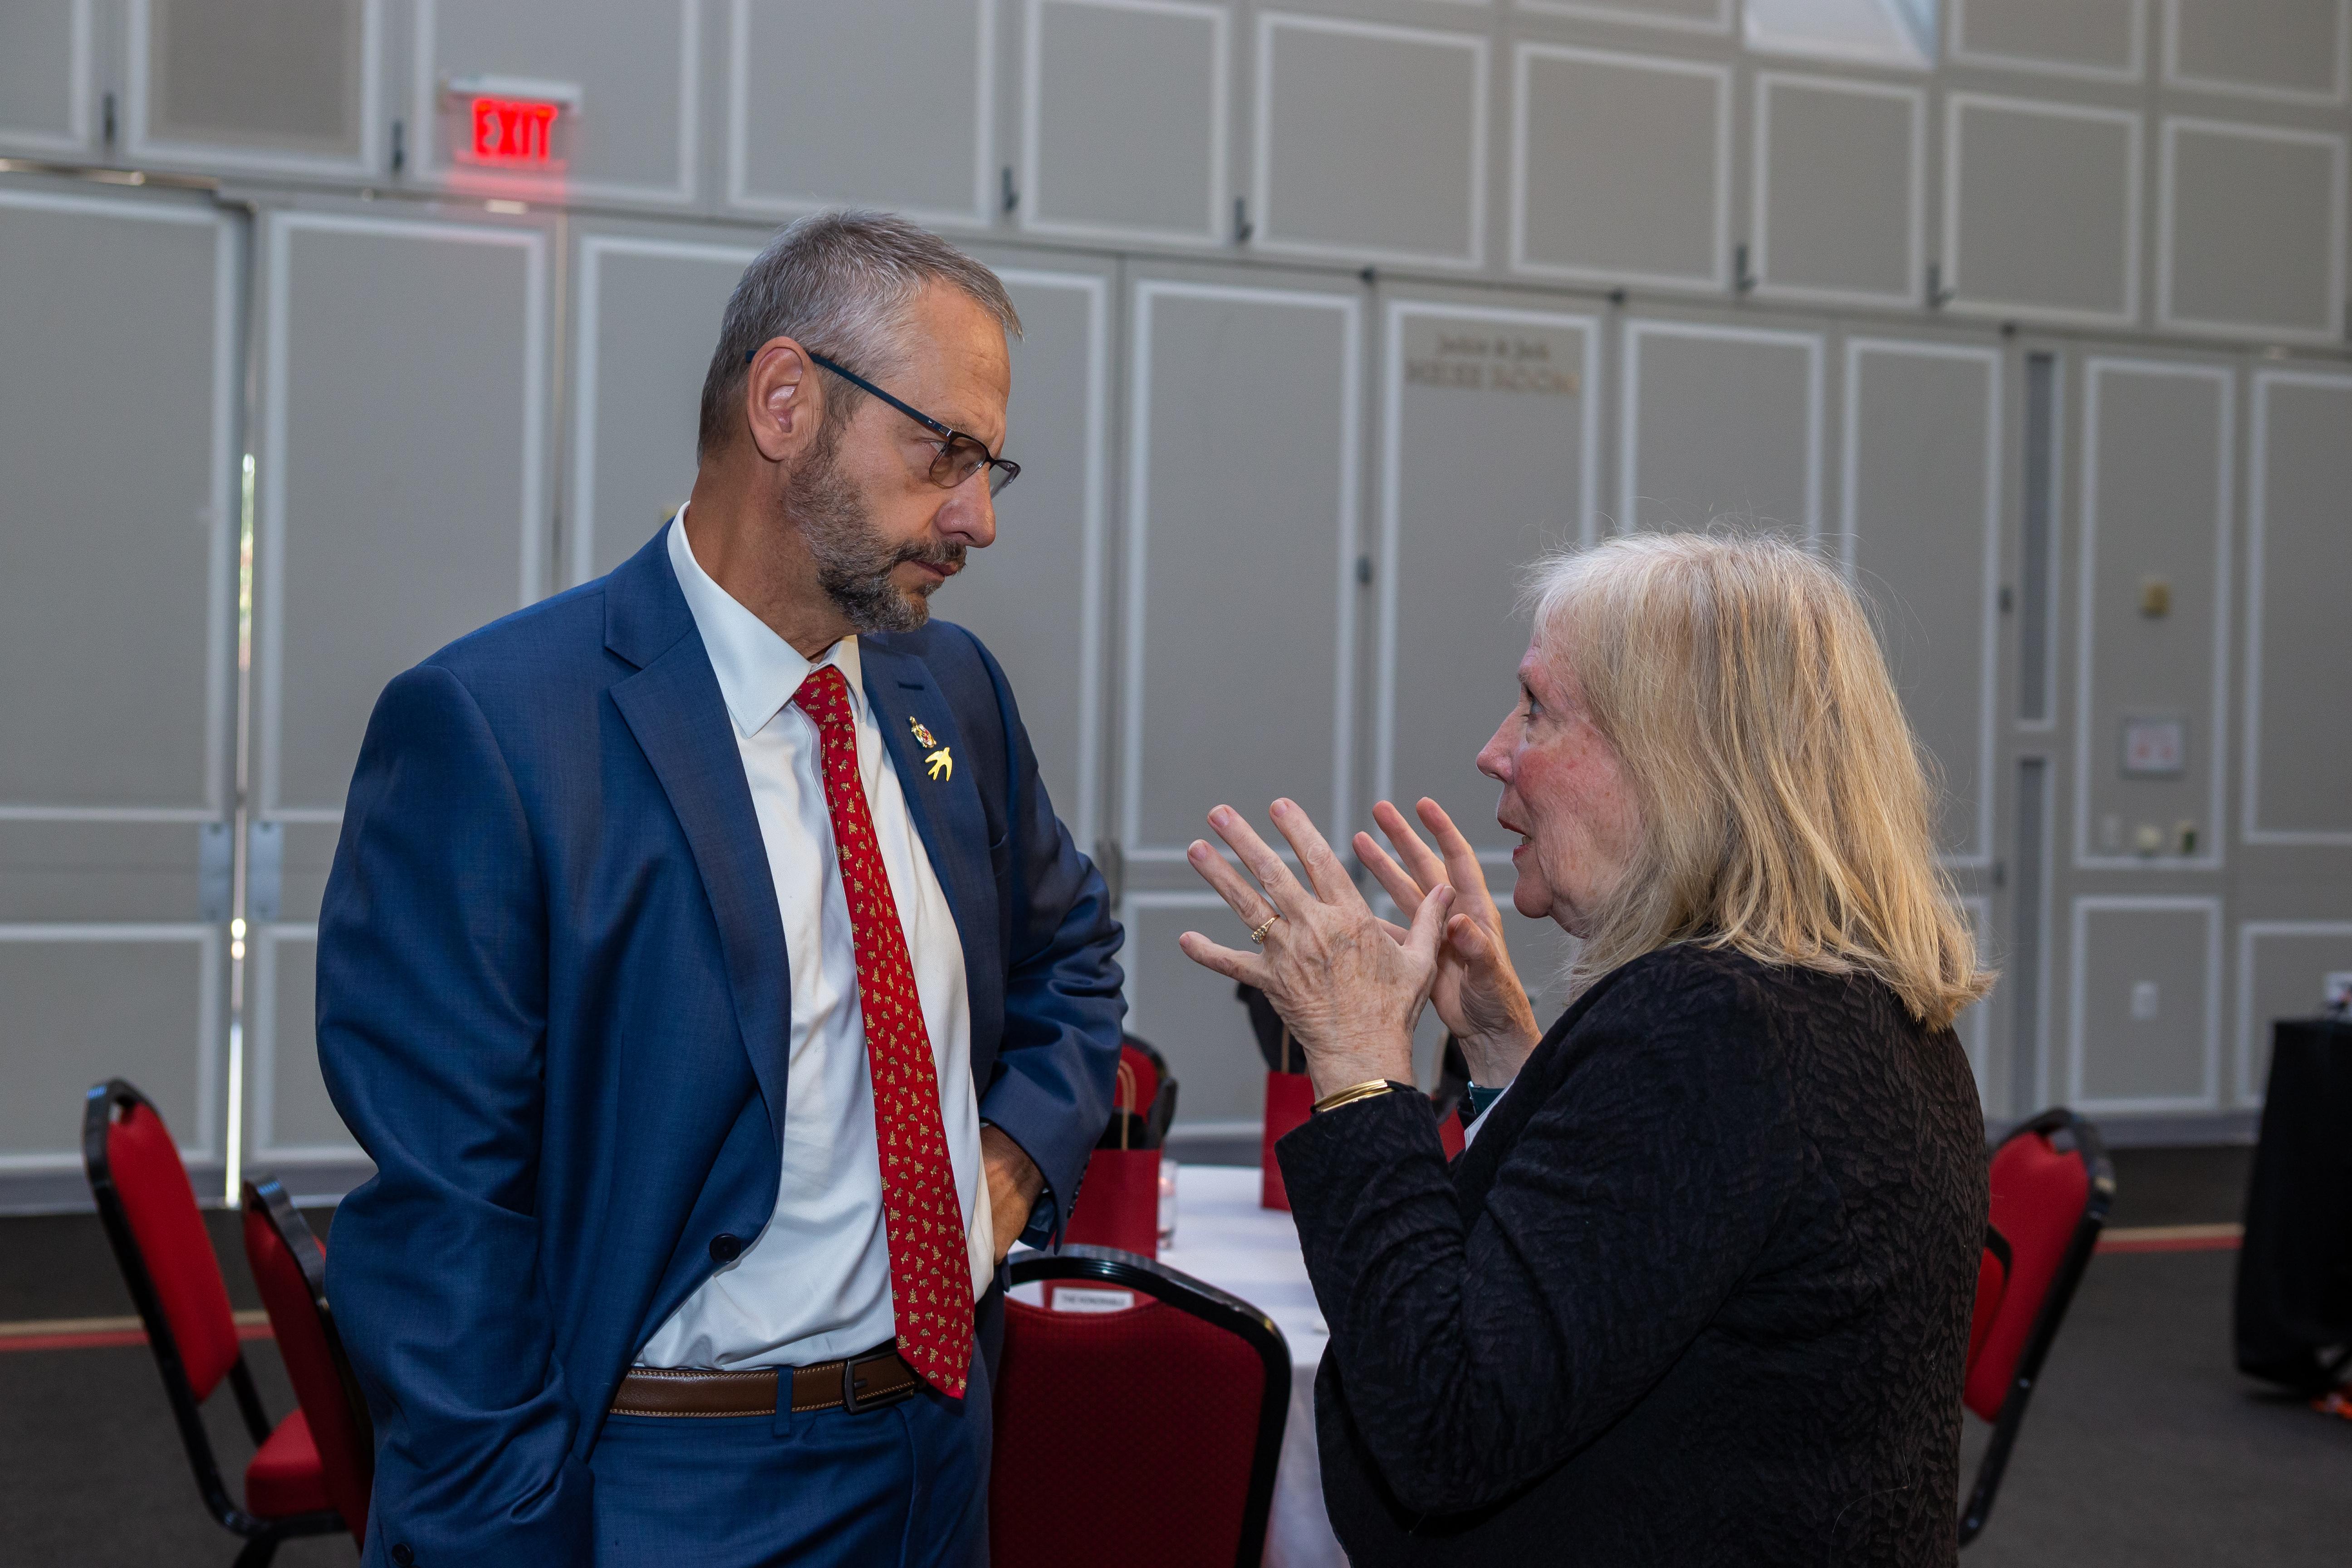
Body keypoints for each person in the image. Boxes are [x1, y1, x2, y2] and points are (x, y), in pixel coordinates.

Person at [317, 210, 1124, 1568]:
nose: (978, 519)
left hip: (940, 1447)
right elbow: (449, 1237)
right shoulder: (498, 731)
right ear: (787, 402)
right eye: (949, 456)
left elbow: (1073, 959)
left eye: (994, 470)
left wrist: (1009, 1156)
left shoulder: (954, 696)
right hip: (673, 1483)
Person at [1179, 531, 1990, 1564]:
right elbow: (1634, 1264)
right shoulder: (1851, 1000)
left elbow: (1442, 1421)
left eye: (1537, 709)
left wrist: (1356, 1065)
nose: (1495, 750)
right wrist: (1508, 1053)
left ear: (1675, 761)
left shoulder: (1712, 1030)